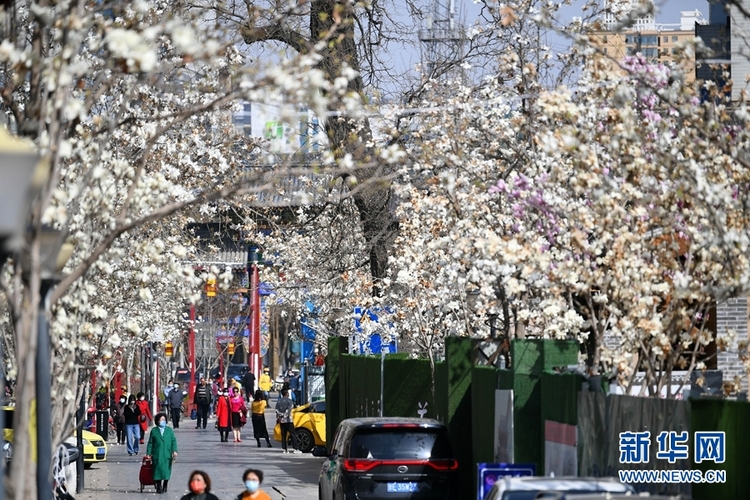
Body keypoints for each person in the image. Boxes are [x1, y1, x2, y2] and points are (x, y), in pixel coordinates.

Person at [147, 413, 178, 494]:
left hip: (167, 454)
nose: (162, 421)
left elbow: (173, 441)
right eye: (161, 420)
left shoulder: (169, 430)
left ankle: (165, 484)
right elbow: (150, 443)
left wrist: (174, 451)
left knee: (166, 471)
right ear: (157, 421)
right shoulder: (154, 431)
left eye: (164, 420)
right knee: (157, 470)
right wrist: (148, 453)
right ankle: (158, 485)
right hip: (157, 454)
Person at [276, 389, 299, 454]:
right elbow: (289, 409)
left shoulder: (279, 401)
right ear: (286, 393)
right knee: (293, 434)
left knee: (283, 435)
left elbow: (276, 410)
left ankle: (284, 449)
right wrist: (285, 416)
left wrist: (281, 416)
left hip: (281, 421)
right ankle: (295, 449)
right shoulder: (289, 401)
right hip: (288, 420)